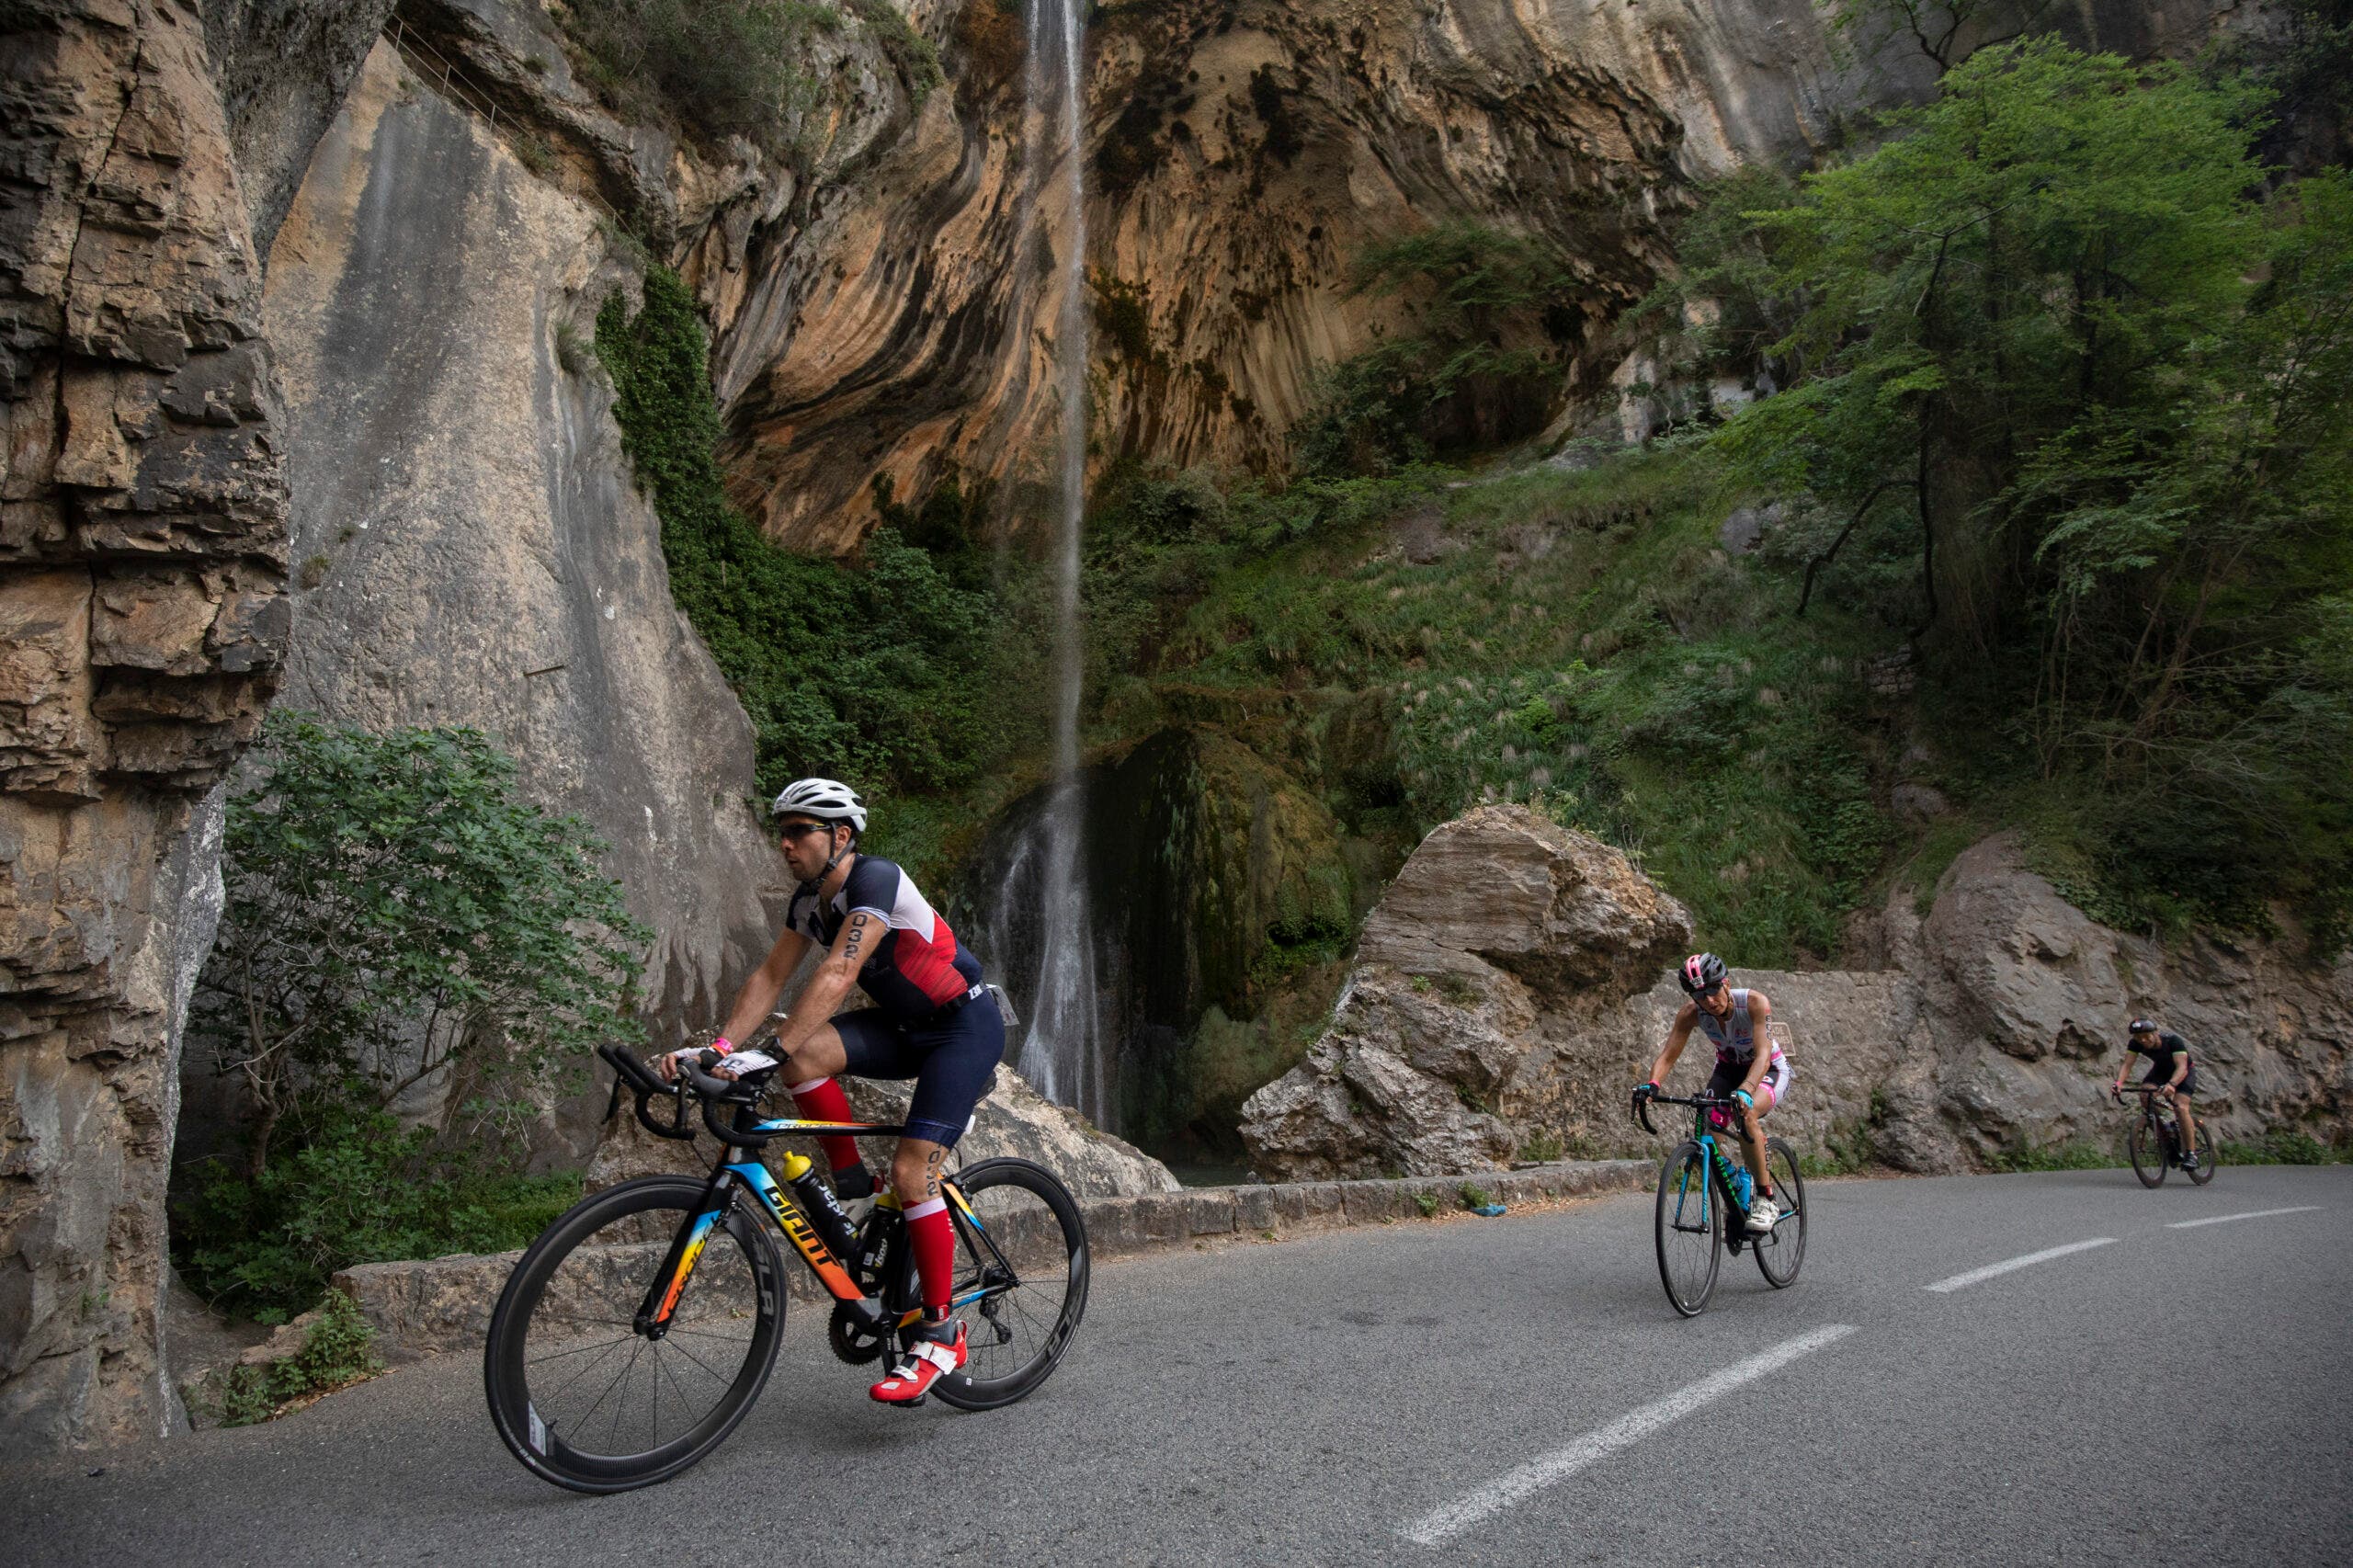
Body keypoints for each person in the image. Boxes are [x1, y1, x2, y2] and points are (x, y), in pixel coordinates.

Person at [657, 777, 1005, 1406]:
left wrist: (775, 1046)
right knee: (804, 1061)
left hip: (961, 1028)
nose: (785, 845)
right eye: (781, 833)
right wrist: (721, 1051)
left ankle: (941, 1333)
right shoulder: (808, 902)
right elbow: (770, 975)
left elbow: (840, 970)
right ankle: (848, 1185)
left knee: (911, 1170)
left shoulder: (876, 881)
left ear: (841, 836)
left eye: (799, 832)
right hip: (903, 1028)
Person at [1631, 953, 1790, 1233]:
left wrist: (1746, 1090)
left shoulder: (1754, 1003)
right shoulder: (1691, 1014)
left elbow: (1763, 1054)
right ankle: (1737, 1180)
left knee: (1747, 1112)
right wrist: (1652, 1084)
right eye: (1699, 996)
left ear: (1726, 983)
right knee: (1704, 1139)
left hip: (1767, 1070)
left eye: (1713, 991)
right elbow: (1668, 1055)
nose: (1709, 1001)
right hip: (1728, 1071)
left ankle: (1766, 1199)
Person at [2114, 1018, 2200, 1168]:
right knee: (2145, 1096)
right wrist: (2119, 1083)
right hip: (2160, 1071)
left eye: (2147, 1036)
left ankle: (2191, 1154)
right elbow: (2127, 1065)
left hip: (2183, 1072)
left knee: (2180, 1107)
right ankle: (2166, 1131)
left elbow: (2182, 1067)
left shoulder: (2173, 1041)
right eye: (2138, 1037)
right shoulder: (2135, 1044)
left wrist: (2172, 1084)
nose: (2143, 1040)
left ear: (2155, 1033)